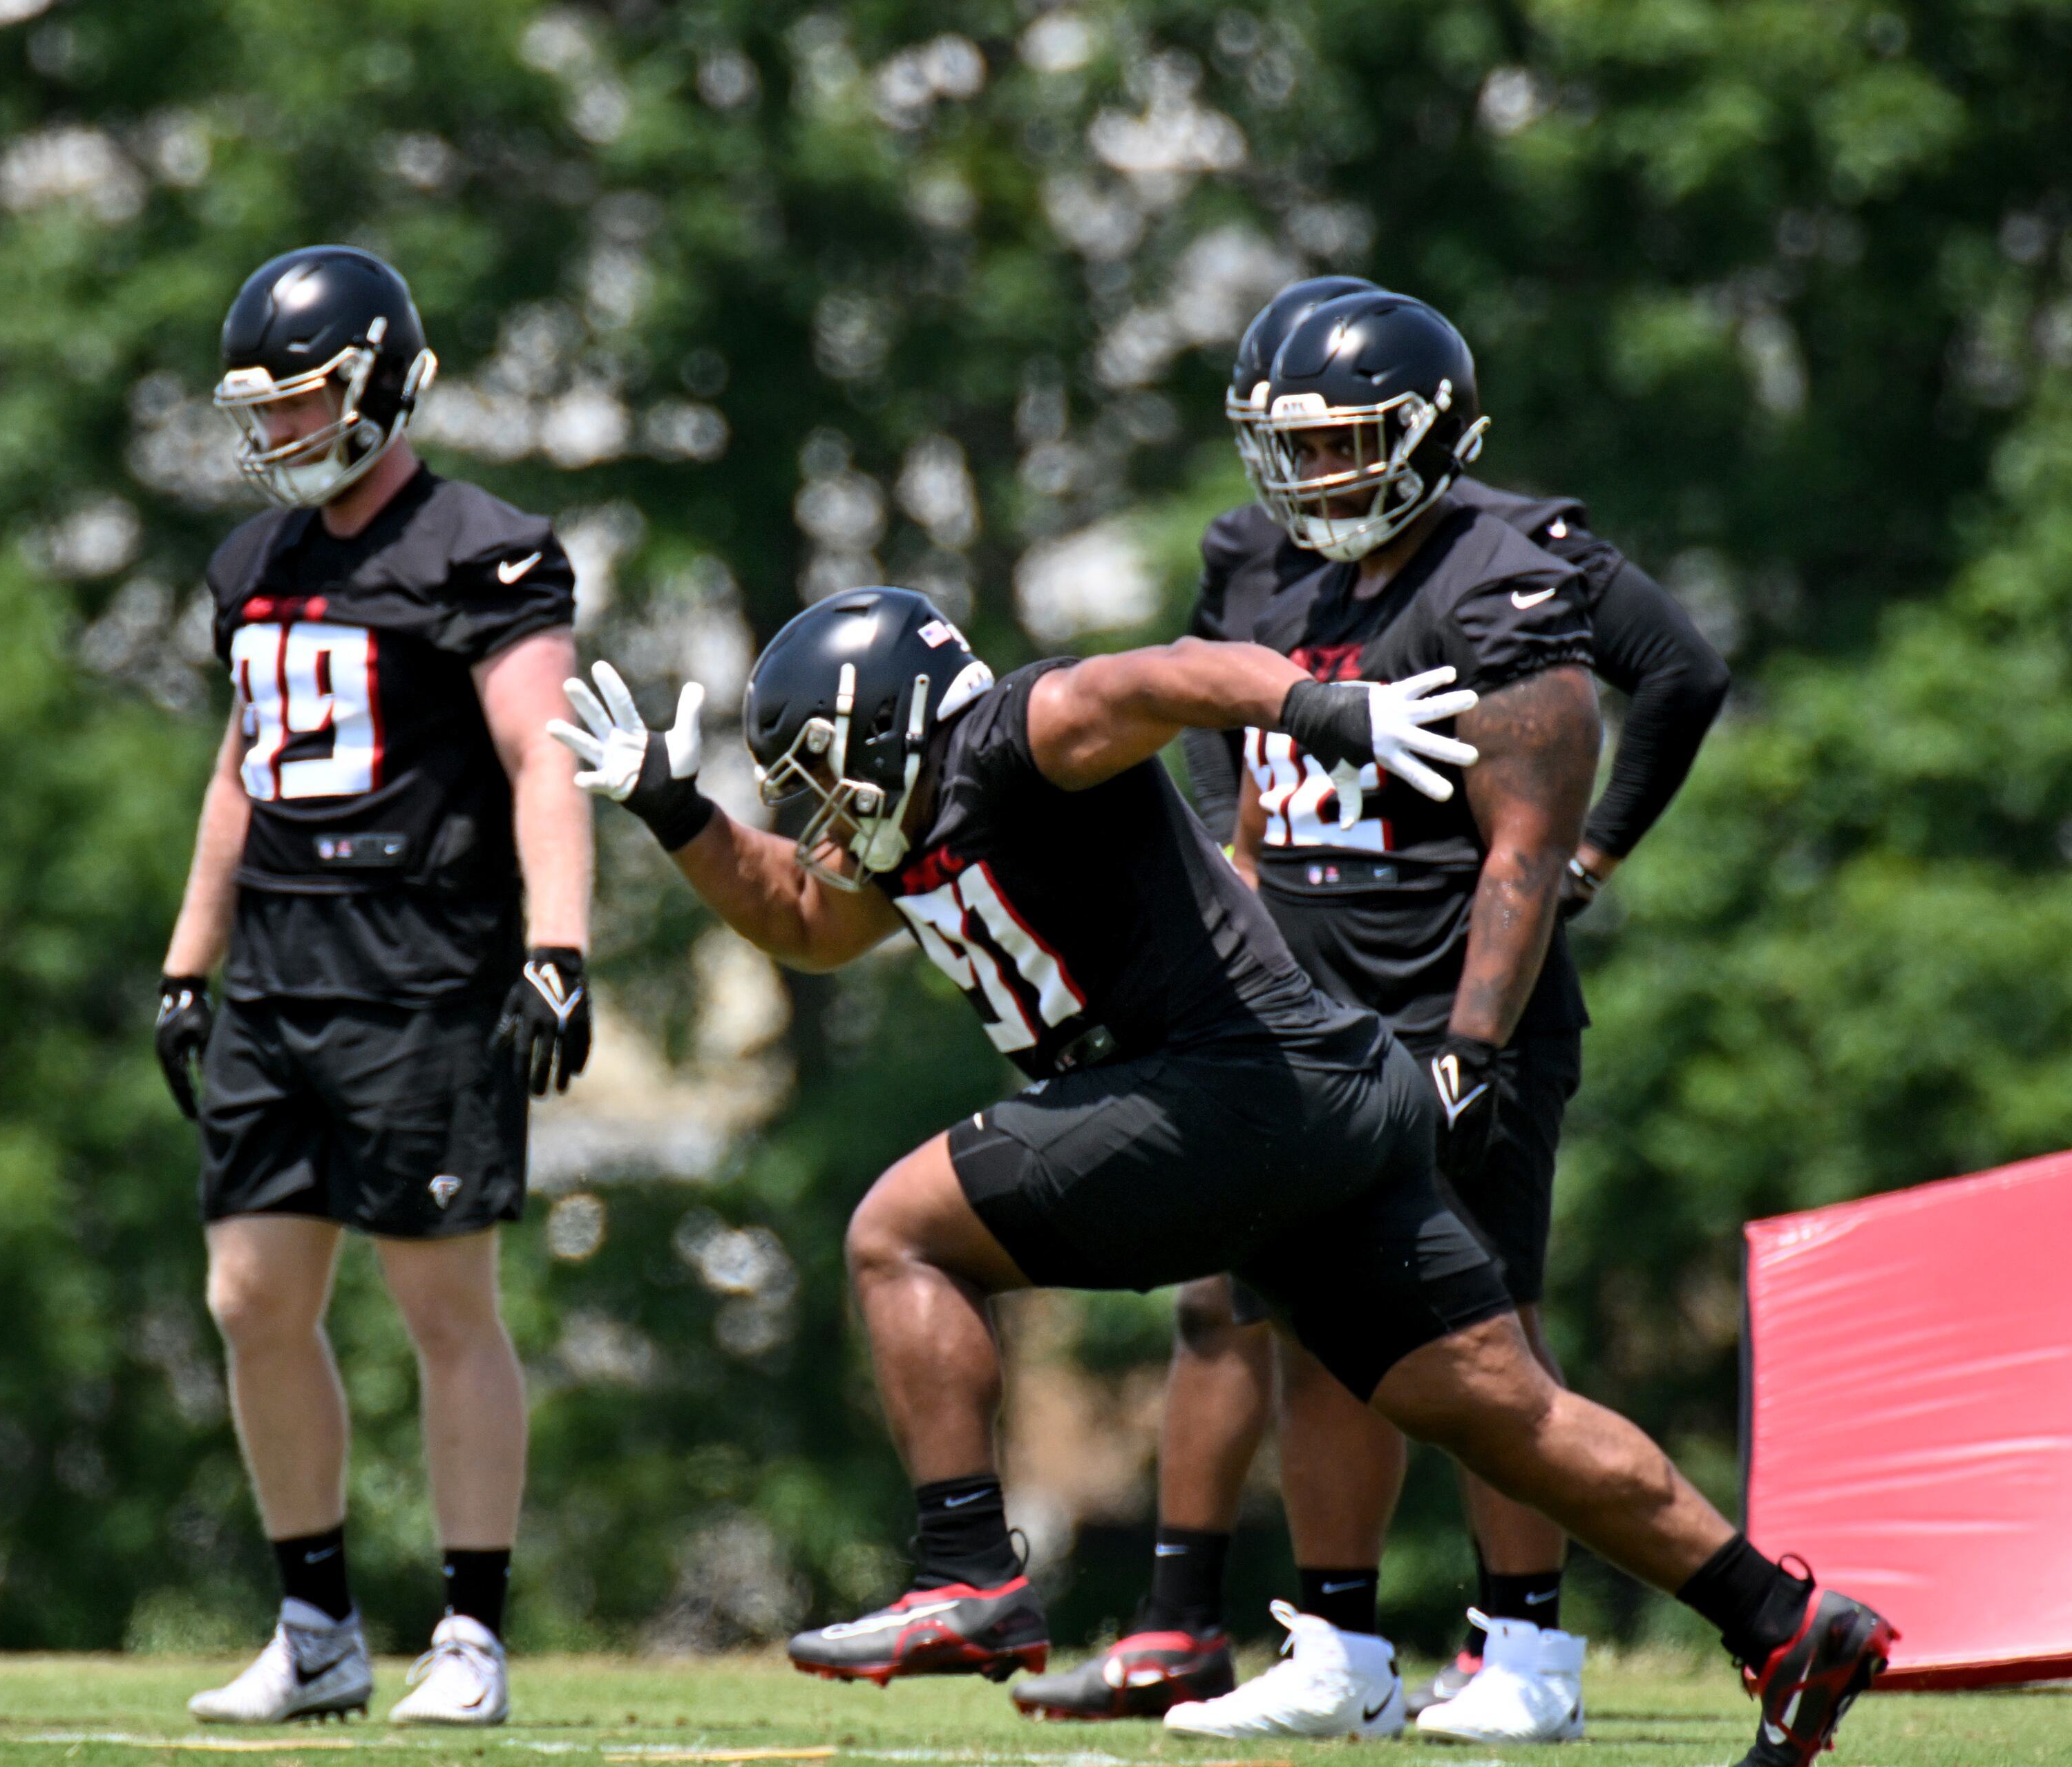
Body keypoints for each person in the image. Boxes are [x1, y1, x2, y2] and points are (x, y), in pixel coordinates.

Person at [550, 585, 1890, 1767]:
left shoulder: (1023, 734)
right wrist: (673, 807)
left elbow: (1165, 676)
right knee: (1497, 1406)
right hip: (1324, 1102)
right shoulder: (911, 831)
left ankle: (964, 1570)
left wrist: (1324, 708)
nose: (826, 816)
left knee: (900, 1232)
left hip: (1234, 1085)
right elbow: (800, 916)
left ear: (891, 725)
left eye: (829, 778)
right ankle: (1786, 1622)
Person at [1025, 283, 1728, 1739]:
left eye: (1349, 447)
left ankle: (1526, 1651)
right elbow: (1199, 717)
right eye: (1298, 450)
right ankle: (1338, 1644)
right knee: (1300, 1318)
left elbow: (1612, 750)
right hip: (1299, 1018)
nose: (1317, 482)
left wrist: (1508, 992)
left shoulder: (1506, 567)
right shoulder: (1252, 558)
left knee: (1489, 1336)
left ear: (1431, 435)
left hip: (1450, 1001)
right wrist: (1237, 856)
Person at [155, 246, 591, 1728]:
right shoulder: (253, 566)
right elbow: (240, 770)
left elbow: (545, 752)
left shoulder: (481, 547)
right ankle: (317, 1620)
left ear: (387, 383)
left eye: (305, 402)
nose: (279, 432)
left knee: (441, 1300)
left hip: (423, 967)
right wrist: (187, 960)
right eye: (262, 409)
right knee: (250, 1294)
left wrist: (558, 945)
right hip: (280, 969)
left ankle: (470, 1628)